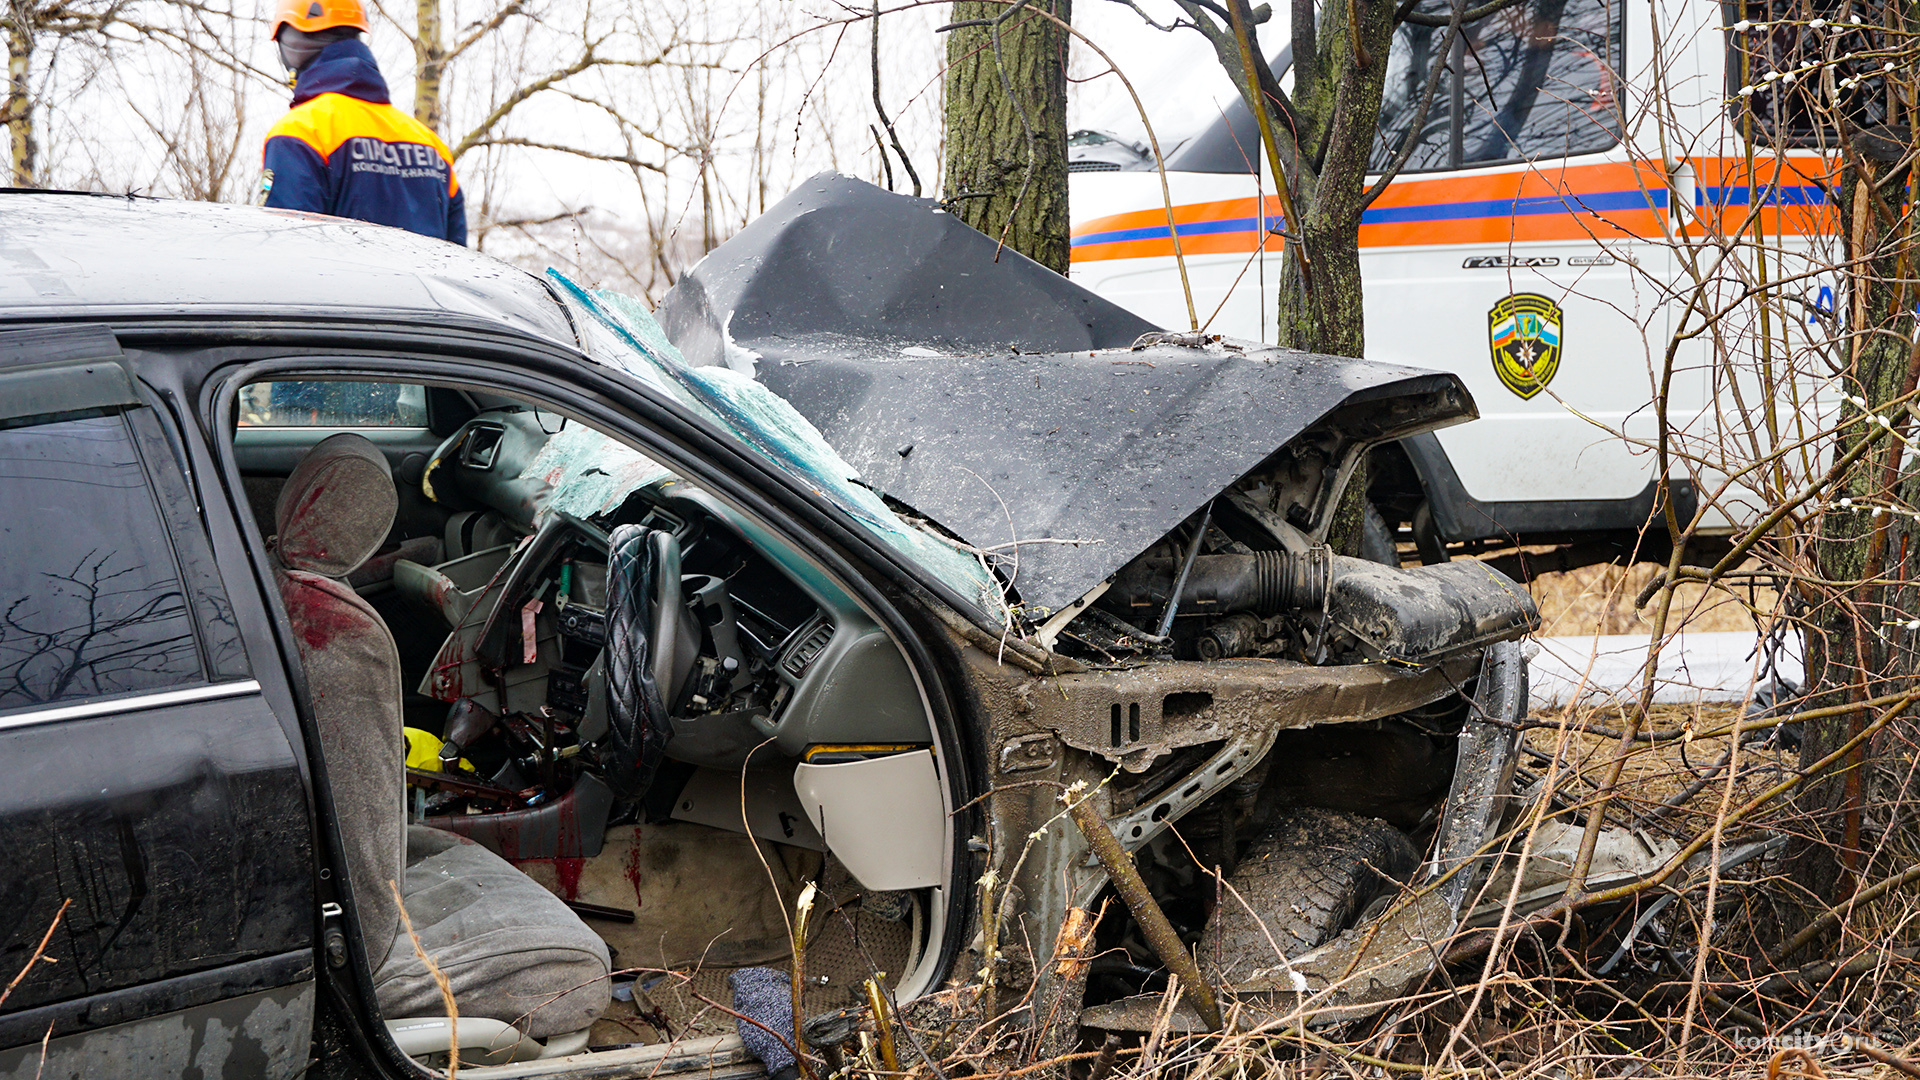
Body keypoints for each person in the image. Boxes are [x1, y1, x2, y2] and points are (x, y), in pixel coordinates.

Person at [258, 0, 466, 245]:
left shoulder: (300, 133)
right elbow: (458, 262)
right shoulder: (432, 147)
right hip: (421, 285)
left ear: (293, 43)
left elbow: (286, 249)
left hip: (335, 284)